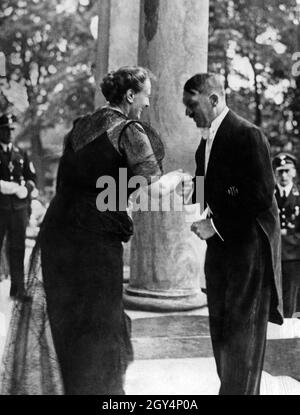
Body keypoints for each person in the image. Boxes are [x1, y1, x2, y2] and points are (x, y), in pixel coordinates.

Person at [1, 66, 189, 395]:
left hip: (59, 238)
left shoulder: (79, 128)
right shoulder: (129, 130)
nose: (147, 103)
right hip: (94, 242)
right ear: (130, 95)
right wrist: (181, 177)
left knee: (70, 325)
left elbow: (84, 185)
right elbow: (155, 188)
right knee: (100, 328)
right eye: (145, 96)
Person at [182, 73, 283, 395]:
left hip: (249, 249)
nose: (187, 113)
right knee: (223, 333)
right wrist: (185, 189)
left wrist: (216, 225)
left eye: (192, 104)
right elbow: (207, 186)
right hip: (222, 250)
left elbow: (260, 195)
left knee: (243, 337)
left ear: (213, 99)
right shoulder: (205, 138)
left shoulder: (247, 134)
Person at [0, 114, 36, 300]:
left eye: (11, 129)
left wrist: (25, 189)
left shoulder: (21, 153)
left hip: (18, 209)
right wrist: (5, 187)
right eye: (5, 129)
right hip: (1, 208)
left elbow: (32, 178)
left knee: (18, 248)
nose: (9, 133)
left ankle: (18, 289)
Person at [273, 153, 300, 318]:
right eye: (280, 171)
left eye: (287, 171)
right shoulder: (267, 198)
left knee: (292, 300)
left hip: (294, 257)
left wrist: (284, 238)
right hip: (272, 257)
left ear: (294, 172)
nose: (284, 175)